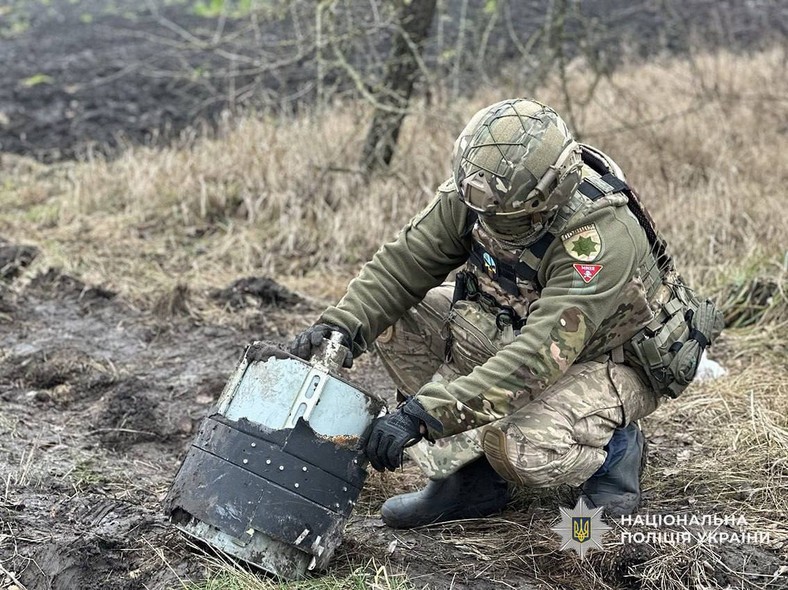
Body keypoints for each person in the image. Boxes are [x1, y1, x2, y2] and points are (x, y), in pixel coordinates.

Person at [289, 98, 722, 528]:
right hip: (522, 325)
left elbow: (534, 361)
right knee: (396, 321)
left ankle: (615, 449)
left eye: (499, 215)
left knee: (519, 446)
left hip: (608, 358)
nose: (482, 219)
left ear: (542, 197)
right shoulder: (486, 189)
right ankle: (469, 481)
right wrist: (340, 327)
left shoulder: (600, 239)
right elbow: (405, 265)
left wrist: (424, 417)